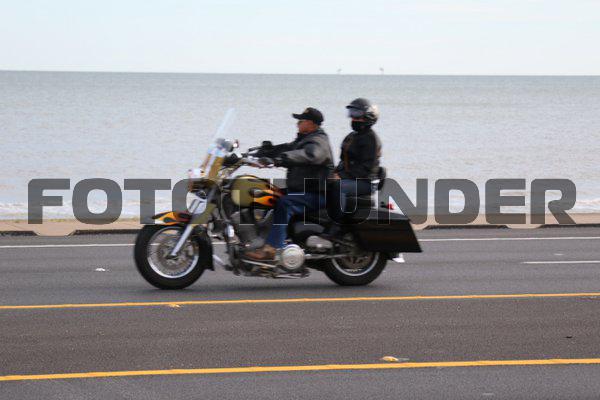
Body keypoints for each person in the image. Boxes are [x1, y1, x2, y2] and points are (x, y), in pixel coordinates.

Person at [245, 107, 334, 260]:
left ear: (311, 123)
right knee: (266, 195)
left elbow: (308, 154)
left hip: (316, 194)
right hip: (300, 190)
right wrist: (259, 153)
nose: (297, 124)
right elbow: (286, 149)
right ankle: (260, 238)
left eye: (301, 121)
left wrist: (278, 160)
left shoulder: (318, 142)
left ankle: (272, 248)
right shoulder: (303, 140)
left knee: (285, 203)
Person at [330, 98, 382, 221]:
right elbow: (344, 162)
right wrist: (332, 172)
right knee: (323, 183)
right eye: (352, 114)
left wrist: (341, 176)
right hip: (352, 178)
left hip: (366, 181)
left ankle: (337, 222)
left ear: (368, 117)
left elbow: (365, 168)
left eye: (357, 114)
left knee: (338, 187)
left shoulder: (370, 139)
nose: (353, 118)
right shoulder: (352, 136)